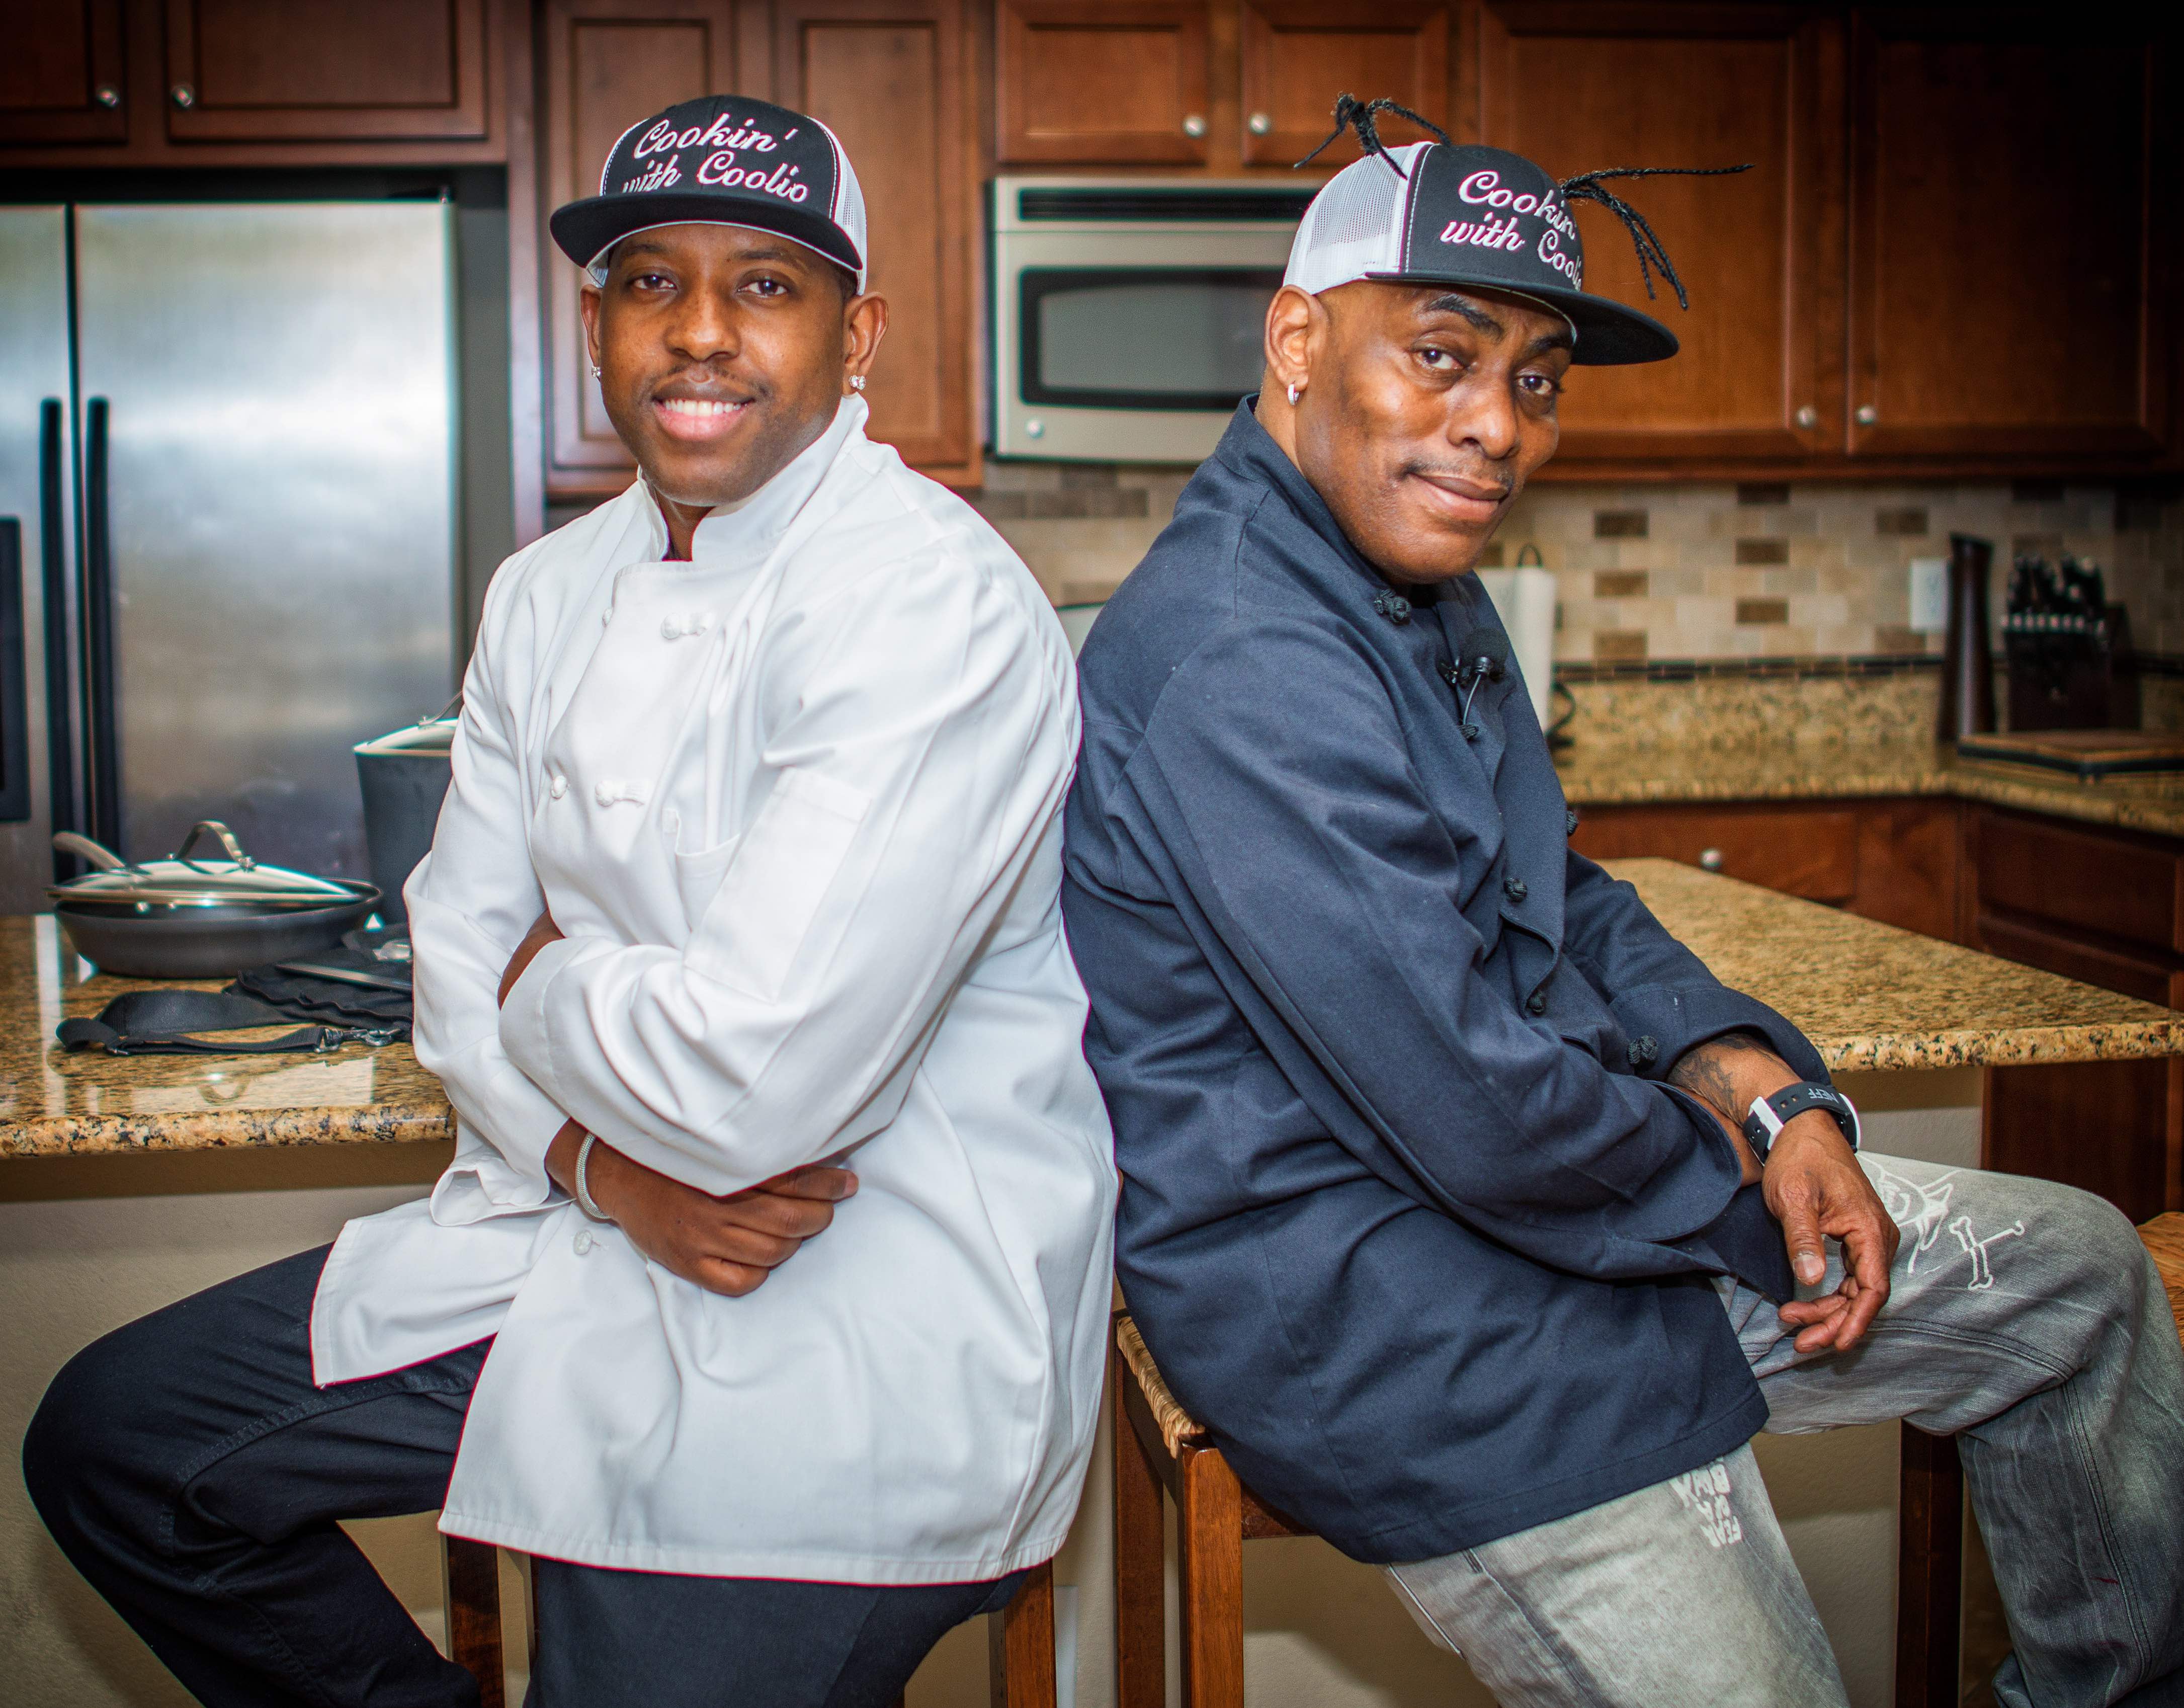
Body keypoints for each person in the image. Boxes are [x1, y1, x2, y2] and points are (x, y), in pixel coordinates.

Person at [1060, 101, 2184, 1708]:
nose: (1497, 426)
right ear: (1300, 341)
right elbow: (1473, 1101)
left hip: (1573, 1222)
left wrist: (1779, 1094)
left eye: (1533, 379)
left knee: (2081, 1280)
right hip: (1406, 1323)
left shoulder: (1412, 587)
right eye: (1441, 353)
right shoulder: (1244, 655)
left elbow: (1561, 896)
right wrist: (1751, 1185)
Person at [25, 94, 1116, 1708]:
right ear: (596, 322)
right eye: (650, 282)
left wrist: (545, 983)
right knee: (123, 1447)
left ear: (856, 329)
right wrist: (608, 1165)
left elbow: (752, 1080)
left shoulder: (931, 606)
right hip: (584, 1230)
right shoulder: (547, 592)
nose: (699, 334)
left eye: (764, 286)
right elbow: (449, 961)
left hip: (848, 1308)